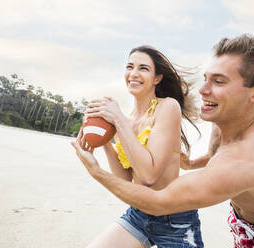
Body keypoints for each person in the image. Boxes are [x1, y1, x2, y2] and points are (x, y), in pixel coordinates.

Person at [72, 34, 254, 247]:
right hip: (241, 231)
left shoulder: (249, 159)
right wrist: (191, 164)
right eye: (206, 78)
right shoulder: (224, 126)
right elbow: (213, 157)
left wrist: (96, 171)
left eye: (219, 81)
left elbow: (159, 202)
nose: (203, 89)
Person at [77, 45, 204, 247]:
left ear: (157, 78)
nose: (133, 73)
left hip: (175, 222)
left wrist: (117, 120)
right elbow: (126, 180)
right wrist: (104, 140)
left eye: (143, 68)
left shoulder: (168, 107)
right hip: (139, 213)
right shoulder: (125, 121)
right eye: (130, 66)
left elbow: (149, 176)